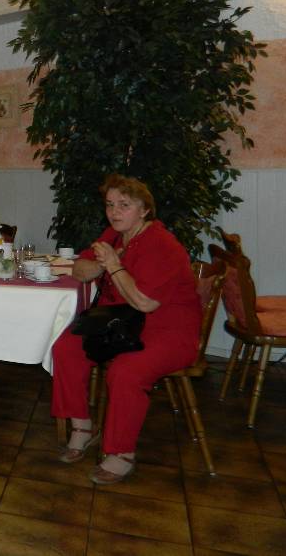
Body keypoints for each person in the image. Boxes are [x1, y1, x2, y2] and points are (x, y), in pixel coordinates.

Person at [52, 174, 200, 484]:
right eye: (110, 204)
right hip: (120, 322)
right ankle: (82, 426)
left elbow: (145, 302)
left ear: (144, 210)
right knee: (65, 348)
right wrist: (103, 262)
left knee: (126, 371)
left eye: (124, 205)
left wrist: (114, 264)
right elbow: (80, 270)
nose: (114, 212)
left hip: (168, 329)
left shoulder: (162, 245)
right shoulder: (115, 235)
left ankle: (121, 452)